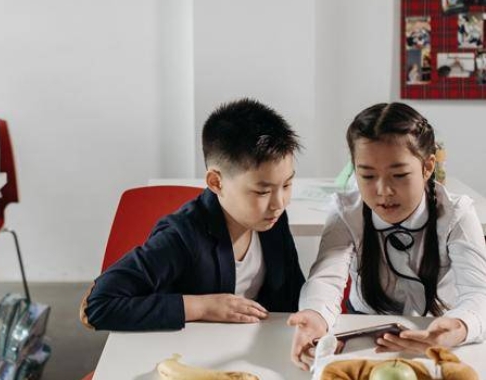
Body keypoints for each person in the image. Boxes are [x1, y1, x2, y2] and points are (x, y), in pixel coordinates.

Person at [288, 102, 486, 371]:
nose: (383, 190)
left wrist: (459, 326)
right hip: (365, 333)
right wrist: (315, 316)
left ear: (428, 167)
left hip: (438, 335)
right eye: (367, 175)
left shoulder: (456, 214)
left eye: (400, 175)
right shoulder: (347, 212)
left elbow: (478, 293)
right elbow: (326, 278)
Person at [80, 98, 305, 331]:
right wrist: (202, 307)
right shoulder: (182, 235)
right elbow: (98, 306)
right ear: (216, 182)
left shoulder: (271, 219)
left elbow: (293, 293)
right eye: (262, 191)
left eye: (287, 185)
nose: (279, 203)